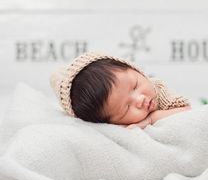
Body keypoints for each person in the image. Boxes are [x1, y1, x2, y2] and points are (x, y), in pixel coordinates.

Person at [50, 52, 190, 129]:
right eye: (126, 108)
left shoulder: (158, 90)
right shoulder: (116, 129)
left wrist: (150, 120)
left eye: (135, 85)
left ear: (134, 69)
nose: (140, 100)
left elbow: (187, 111)